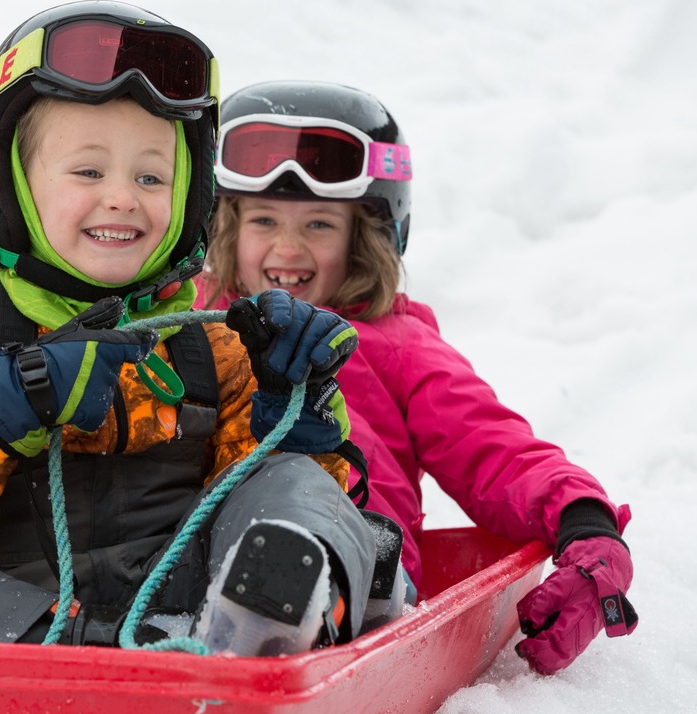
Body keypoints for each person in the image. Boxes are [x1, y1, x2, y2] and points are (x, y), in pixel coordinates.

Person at [0, 3, 404, 656]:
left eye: (151, 176)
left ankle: (263, 624)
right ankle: (97, 645)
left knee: (304, 494)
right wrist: (7, 404)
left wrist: (294, 410)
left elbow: (252, 502)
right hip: (27, 608)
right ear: (14, 187)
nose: (122, 196)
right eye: (88, 171)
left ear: (190, 197)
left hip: (194, 601)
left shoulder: (210, 338)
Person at [193, 79, 637, 673]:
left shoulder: (395, 347)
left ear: (366, 238)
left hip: (358, 557)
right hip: (186, 551)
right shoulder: (191, 326)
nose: (288, 247)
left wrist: (586, 520)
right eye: (265, 220)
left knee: (320, 513)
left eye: (320, 224)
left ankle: (314, 600)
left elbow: (495, 450)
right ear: (226, 227)